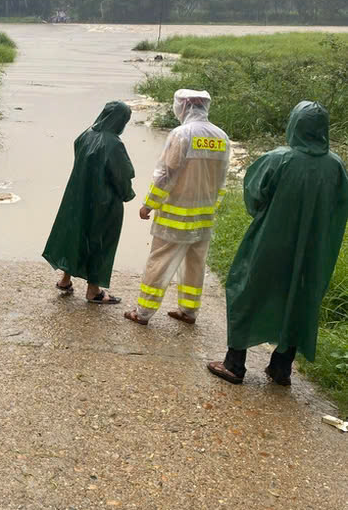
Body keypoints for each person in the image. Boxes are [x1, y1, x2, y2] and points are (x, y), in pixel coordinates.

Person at [208, 100, 348, 386]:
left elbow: (255, 196)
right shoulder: (335, 165)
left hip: (270, 242)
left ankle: (234, 364)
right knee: (299, 297)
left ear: (294, 124)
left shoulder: (279, 158)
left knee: (247, 290)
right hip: (313, 248)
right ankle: (281, 368)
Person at [124, 89, 229, 326]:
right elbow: (222, 180)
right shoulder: (221, 137)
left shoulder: (182, 135)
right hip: (204, 216)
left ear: (183, 107)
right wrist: (213, 207)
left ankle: (142, 312)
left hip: (175, 215)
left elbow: (166, 175)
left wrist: (149, 204)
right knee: (195, 264)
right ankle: (189, 311)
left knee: (159, 263)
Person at [43, 101, 135, 303]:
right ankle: (94, 291)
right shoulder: (113, 143)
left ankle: (65, 280)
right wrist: (127, 194)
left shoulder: (85, 134)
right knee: (101, 242)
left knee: (76, 235)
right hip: (104, 202)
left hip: (77, 197)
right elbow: (122, 175)